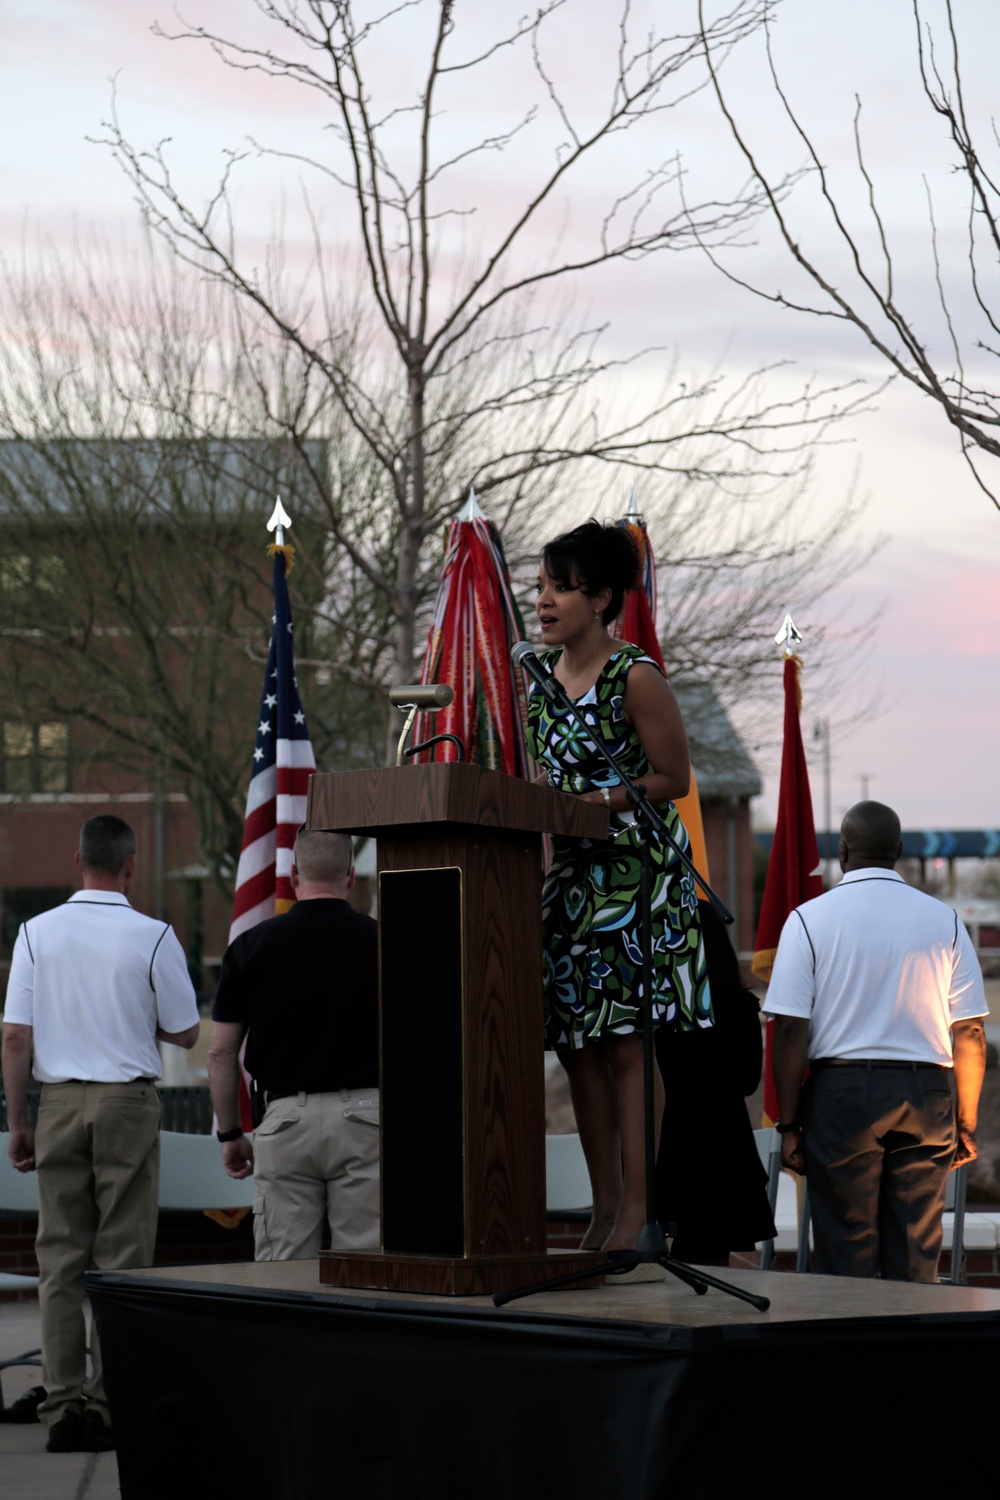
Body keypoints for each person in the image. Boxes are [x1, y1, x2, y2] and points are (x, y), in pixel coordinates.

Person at [527, 519, 712, 1258]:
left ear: (601, 598)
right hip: (570, 882)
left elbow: (676, 779)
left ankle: (639, 1210)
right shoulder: (540, 684)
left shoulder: (634, 675)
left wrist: (598, 803)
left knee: (629, 1048)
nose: (541, 600)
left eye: (559, 587)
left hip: (635, 880)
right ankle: (602, 1209)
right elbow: (546, 779)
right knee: (577, 1048)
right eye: (540, 585)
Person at [1, 815, 199, 1454]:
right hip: (126, 1103)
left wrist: (19, 1120)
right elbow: (188, 1030)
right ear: (131, 864)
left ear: (78, 858)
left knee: (57, 1260)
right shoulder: (154, 935)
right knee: (123, 1259)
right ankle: (108, 1405)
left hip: (57, 1101)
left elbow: (14, 1034)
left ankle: (59, 1407)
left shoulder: (36, 933)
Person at [764, 800, 987, 1282]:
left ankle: (851, 1352)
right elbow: (968, 1031)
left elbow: (789, 1030)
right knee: (914, 1255)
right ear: (899, 851)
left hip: (841, 1096)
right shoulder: (944, 920)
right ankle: (909, 1354)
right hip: (926, 1093)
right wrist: (965, 1122)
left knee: (846, 1255)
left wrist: (789, 1124)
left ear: (843, 851)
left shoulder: (808, 920)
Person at [209, 829, 380, 1261]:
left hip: (284, 1122)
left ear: (292, 874)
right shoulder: (386, 943)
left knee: (283, 1277)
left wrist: (230, 1132)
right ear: (350, 876)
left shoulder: (250, 947)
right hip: (368, 1119)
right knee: (368, 1273)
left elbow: (221, 1053)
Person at [656, 900, 776, 1266]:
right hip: (725, 1147)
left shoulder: (659, 1008)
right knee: (713, 1271)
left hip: (672, 1143)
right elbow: (748, 1080)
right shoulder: (736, 1006)